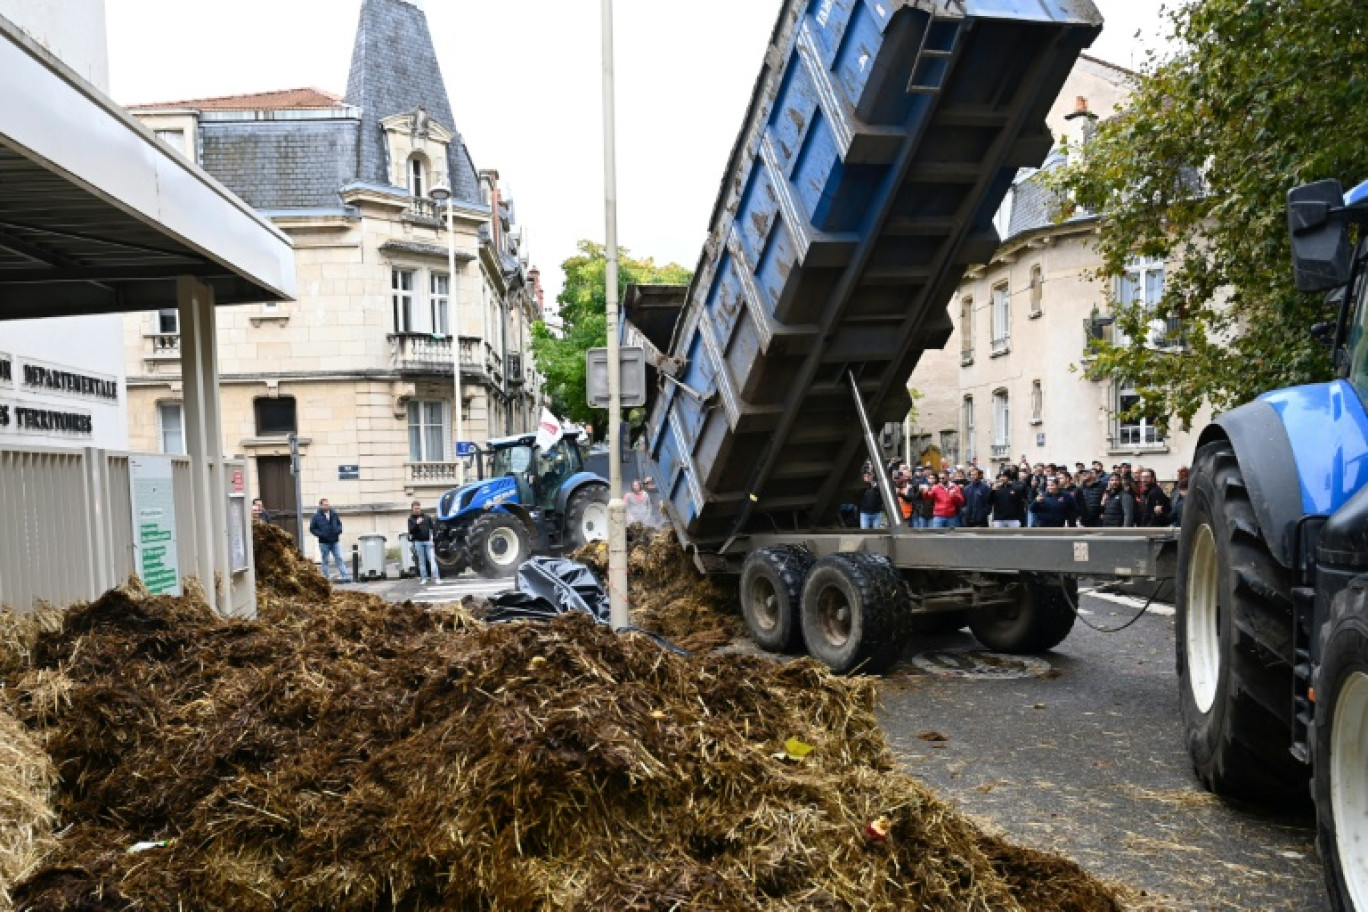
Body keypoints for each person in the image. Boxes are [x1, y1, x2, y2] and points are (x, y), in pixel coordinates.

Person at [309, 498, 351, 582]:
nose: (327, 506)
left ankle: (345, 576)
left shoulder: (334, 514)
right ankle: (327, 577)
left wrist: (338, 530)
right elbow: (312, 529)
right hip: (324, 542)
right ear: (321, 506)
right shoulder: (316, 517)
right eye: (325, 505)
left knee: (339, 558)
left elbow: (339, 524)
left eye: (328, 504)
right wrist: (321, 534)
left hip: (335, 541)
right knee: (325, 560)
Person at [407, 500, 438, 584]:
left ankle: (436, 577)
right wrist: (416, 524)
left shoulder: (427, 517)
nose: (417, 510)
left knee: (431, 559)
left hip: (428, 541)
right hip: (418, 542)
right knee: (421, 561)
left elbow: (433, 529)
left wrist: (433, 540)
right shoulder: (411, 519)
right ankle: (424, 577)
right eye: (415, 508)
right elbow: (411, 531)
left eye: (418, 508)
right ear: (412, 509)